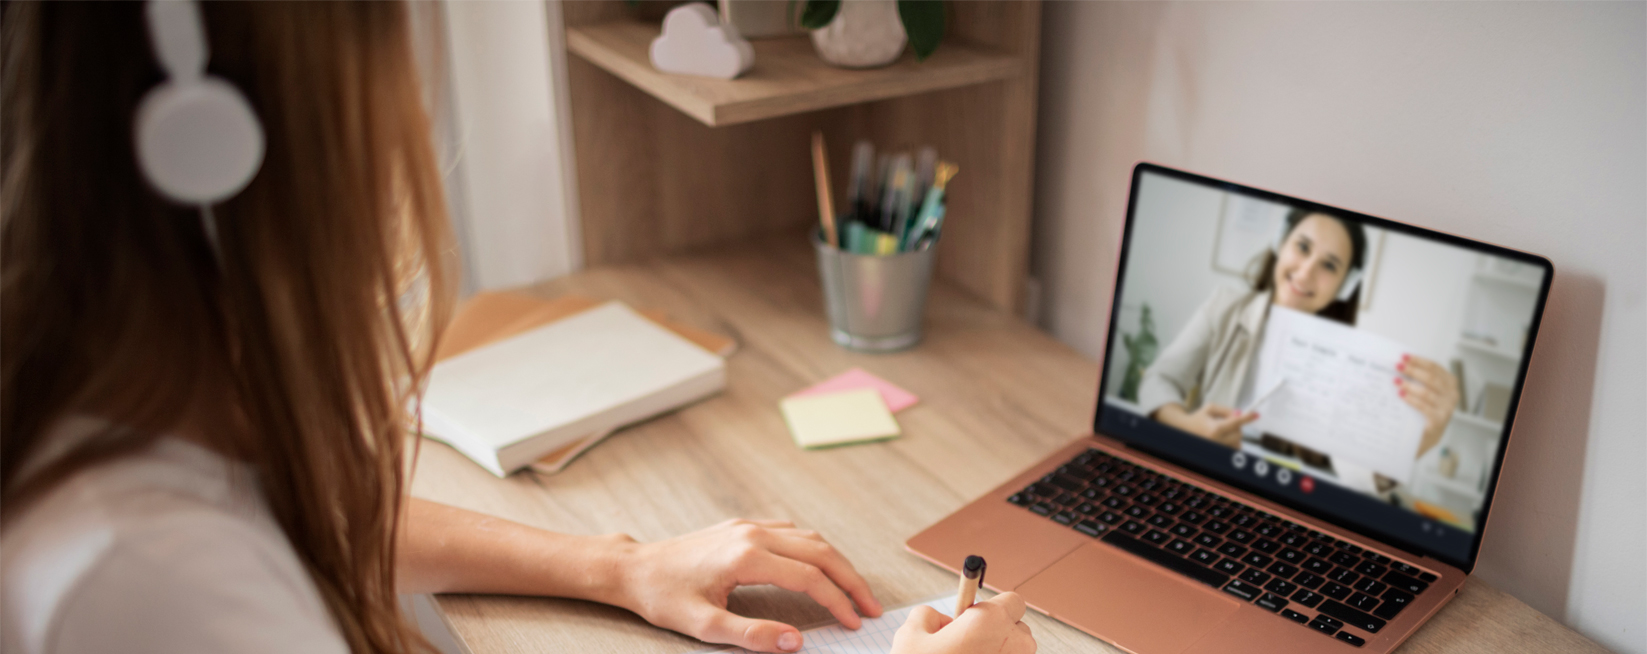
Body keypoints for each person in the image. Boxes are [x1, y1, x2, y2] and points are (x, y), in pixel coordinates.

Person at [0, 4, 1036, 654]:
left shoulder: (121, 420)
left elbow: (304, 514)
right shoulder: (144, 582)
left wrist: (615, 566)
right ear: (217, 144)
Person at [1138, 208, 1458, 462]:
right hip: (1207, 470)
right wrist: (1186, 425)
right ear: (1281, 243)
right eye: (1302, 247)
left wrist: (1418, 442)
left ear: (1345, 286)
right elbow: (1158, 379)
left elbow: (1353, 469)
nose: (1306, 272)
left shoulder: (1352, 362)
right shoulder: (1224, 306)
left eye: (1329, 266)